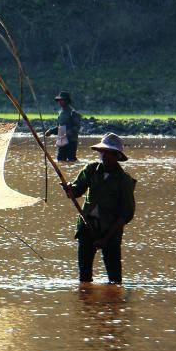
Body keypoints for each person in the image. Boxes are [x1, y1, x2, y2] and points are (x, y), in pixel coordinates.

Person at [61, 133, 136, 285]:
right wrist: (68, 188)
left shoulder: (124, 180)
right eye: (103, 152)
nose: (104, 156)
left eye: (109, 153)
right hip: (87, 226)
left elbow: (126, 214)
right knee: (84, 278)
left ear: (116, 155)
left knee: (115, 279)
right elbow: (76, 192)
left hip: (111, 230)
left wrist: (105, 238)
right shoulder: (91, 170)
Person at [46, 91, 82, 163]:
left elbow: (77, 127)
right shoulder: (61, 113)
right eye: (59, 100)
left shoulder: (73, 113)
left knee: (71, 160)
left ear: (67, 101)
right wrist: (50, 131)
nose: (60, 102)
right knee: (60, 160)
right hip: (62, 140)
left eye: (62, 100)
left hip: (71, 141)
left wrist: (70, 131)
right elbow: (59, 127)